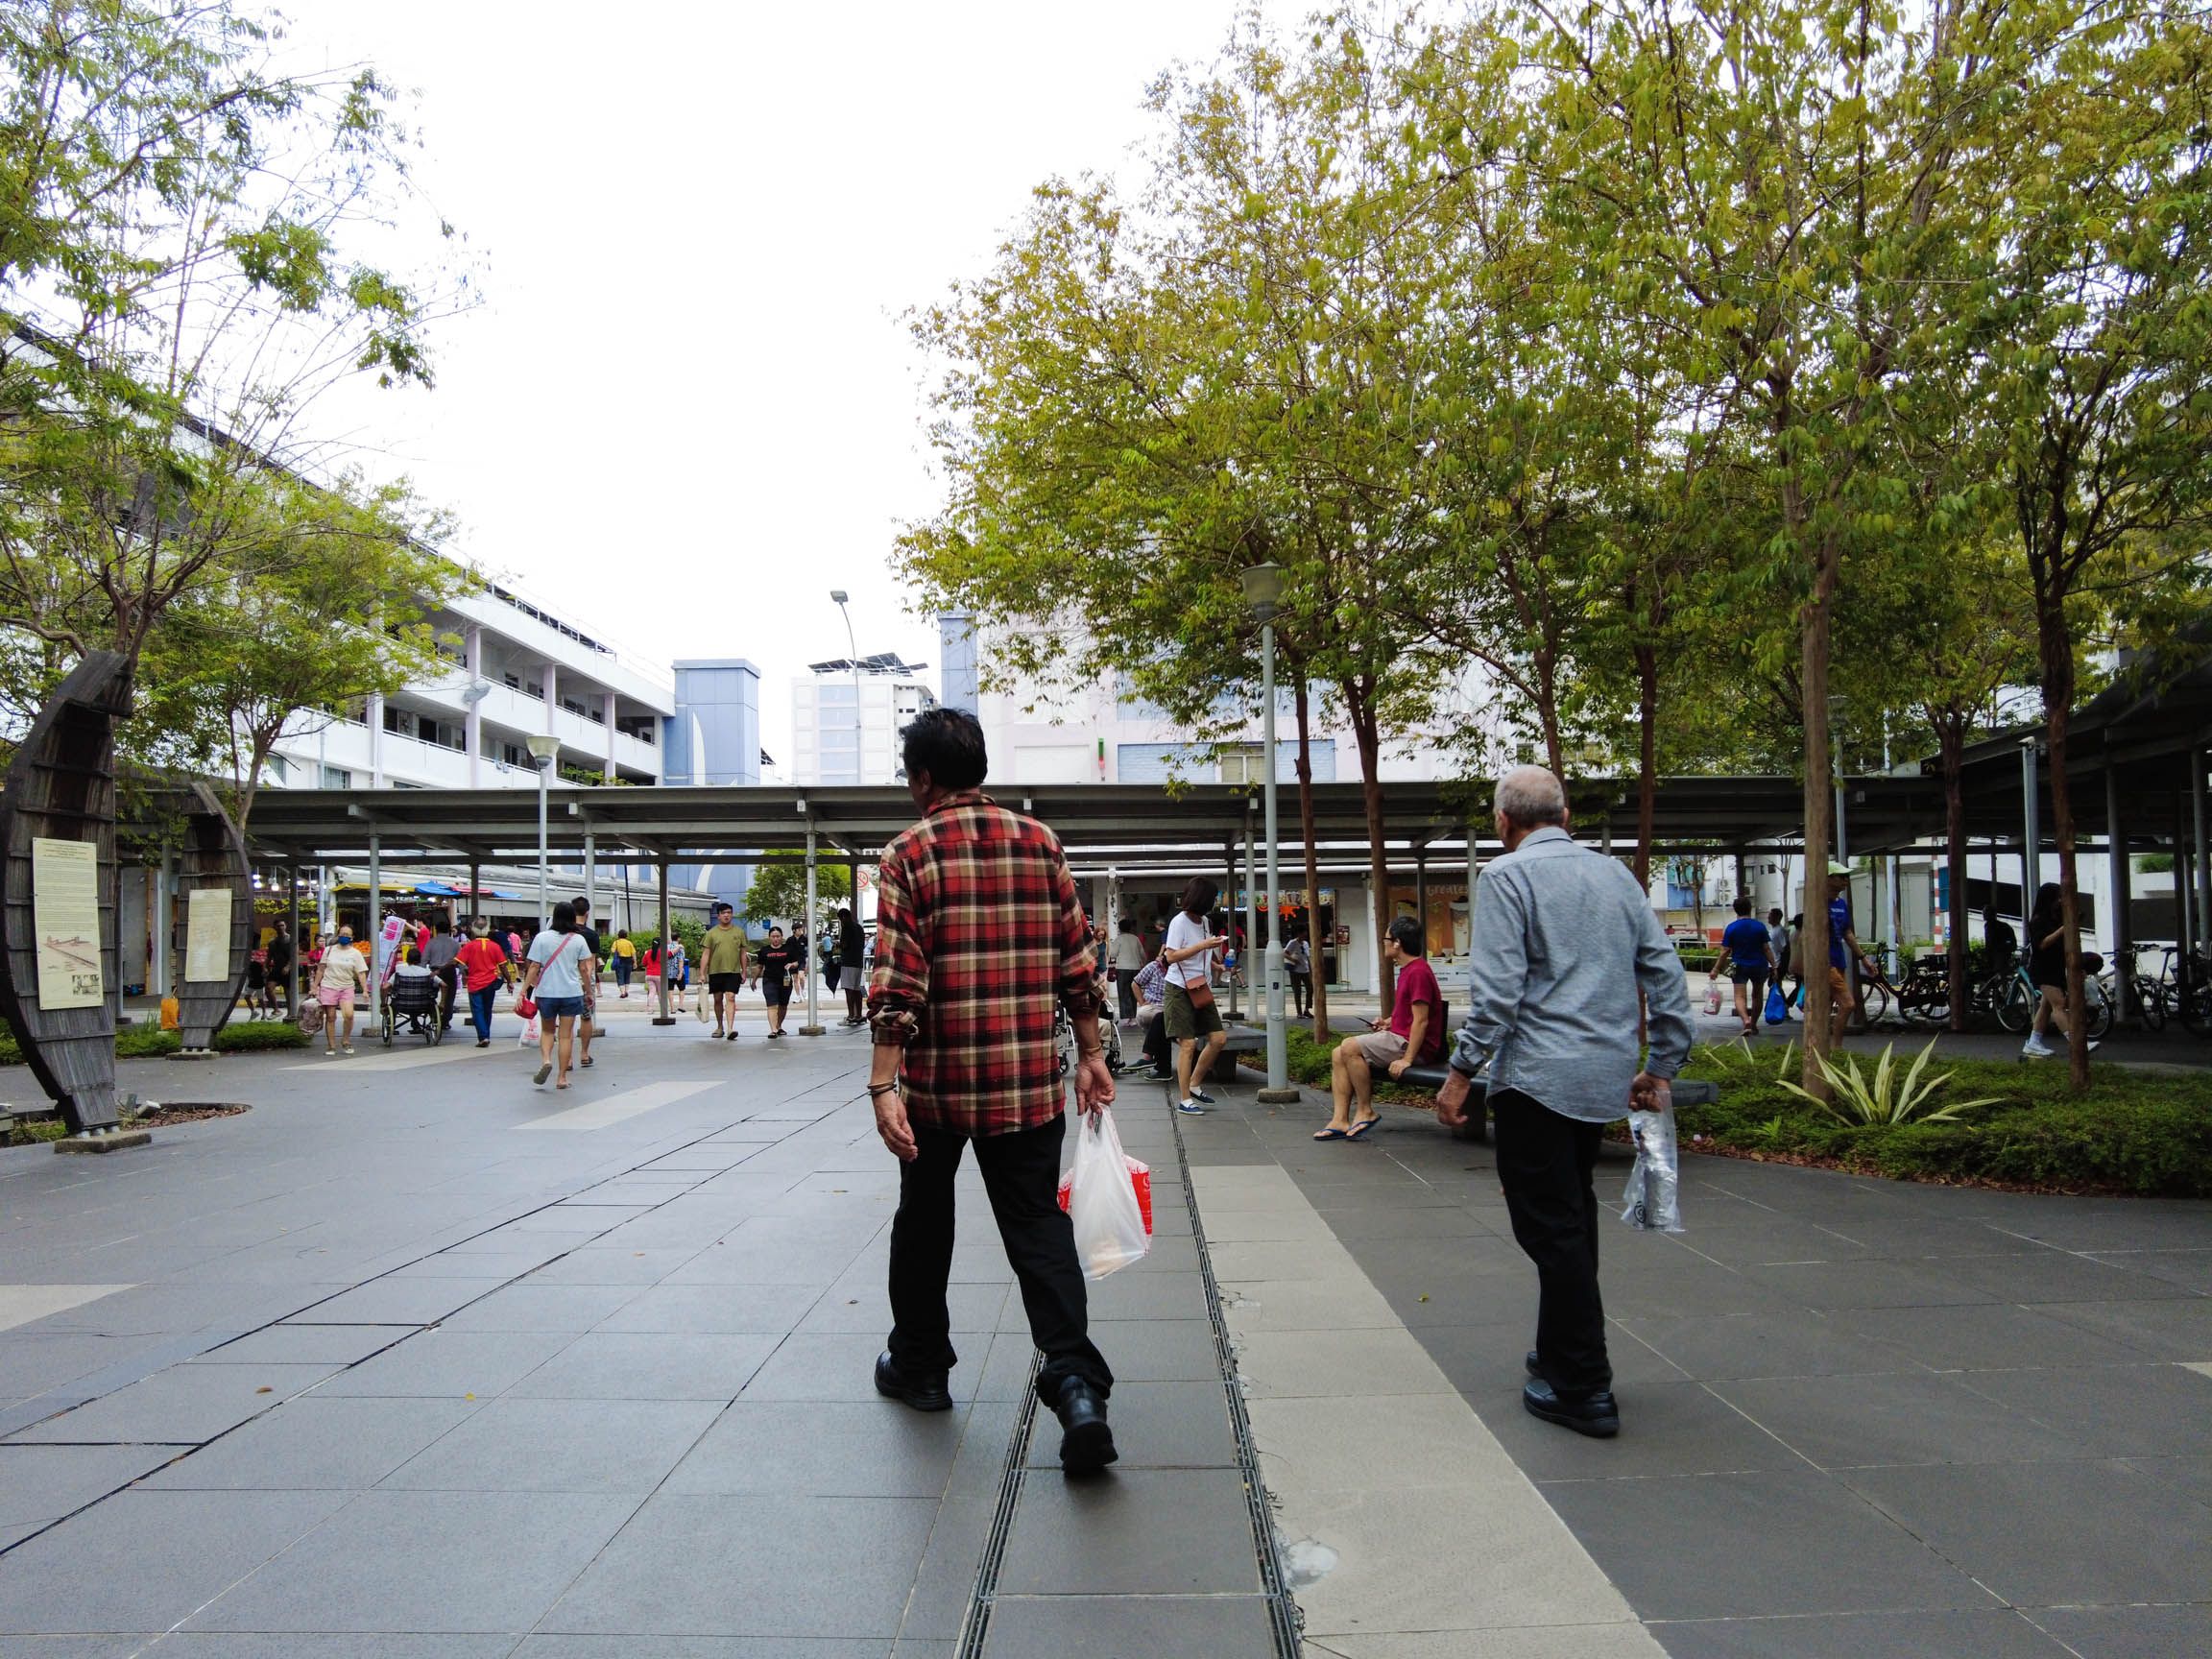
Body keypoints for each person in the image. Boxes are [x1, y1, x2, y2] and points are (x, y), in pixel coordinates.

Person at [864, 707, 1118, 1473]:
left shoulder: (908, 853)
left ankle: (923, 1368)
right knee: (1038, 1231)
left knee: (924, 1220)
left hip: (937, 1088)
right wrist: (1093, 1054)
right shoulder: (1041, 843)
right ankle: (1076, 1386)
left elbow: (898, 981)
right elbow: (1078, 960)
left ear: (923, 778)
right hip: (1024, 1087)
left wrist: (883, 1084)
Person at [1434, 766, 1693, 1440]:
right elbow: (1664, 974)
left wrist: (1462, 1071)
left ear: (1502, 822)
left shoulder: (1505, 877)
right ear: (1567, 814)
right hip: (1602, 1078)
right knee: (1572, 1217)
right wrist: (1660, 1064)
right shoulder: (1615, 877)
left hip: (1537, 1079)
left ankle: (1583, 1385)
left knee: (1552, 1229)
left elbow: (1497, 993)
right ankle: (1560, 1350)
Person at [1318, 915, 1443, 1141]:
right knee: (1338, 1053)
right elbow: (1409, 1015)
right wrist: (1388, 1022)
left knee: (1349, 1046)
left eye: (1386, 938)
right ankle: (1340, 1119)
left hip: (1413, 1047)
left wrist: (1407, 1059)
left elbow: (1422, 1020)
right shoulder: (1409, 970)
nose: (1383, 942)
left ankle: (1366, 1110)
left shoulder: (1418, 972)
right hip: (1400, 1037)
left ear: (1397, 943)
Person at [1161, 878, 1229, 1116]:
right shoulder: (1179, 922)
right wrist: (1203, 945)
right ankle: (1184, 1100)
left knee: (1219, 1038)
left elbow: (1198, 953)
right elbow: (1170, 956)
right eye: (1213, 897)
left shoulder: (1205, 922)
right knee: (1187, 1044)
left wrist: (1215, 965)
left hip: (1201, 987)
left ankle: (1194, 1084)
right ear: (1203, 898)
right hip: (1179, 989)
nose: (1215, 902)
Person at [2023, 882, 2099, 1060]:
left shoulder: (2053, 918)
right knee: (2059, 1005)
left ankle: (2033, 1042)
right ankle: (2078, 1043)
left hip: (2054, 968)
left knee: (2046, 1006)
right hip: (2043, 969)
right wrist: (2063, 929)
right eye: (2057, 897)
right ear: (2048, 899)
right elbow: (2041, 944)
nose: (2060, 900)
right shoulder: (2038, 921)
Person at [522, 902, 593, 1090]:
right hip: (571, 992)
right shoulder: (578, 940)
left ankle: (546, 1060)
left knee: (547, 1031)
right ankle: (562, 1078)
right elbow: (585, 969)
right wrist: (589, 991)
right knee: (565, 1036)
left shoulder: (542, 938)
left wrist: (523, 990)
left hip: (546, 993)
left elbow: (534, 966)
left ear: (554, 917)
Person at [1821, 863, 1876, 1033]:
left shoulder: (1842, 904)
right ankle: (1835, 1047)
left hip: (1839, 960)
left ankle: (1827, 1048)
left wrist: (1863, 958)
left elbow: (1847, 933)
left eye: (1847, 876)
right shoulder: (1818, 903)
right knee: (1848, 1003)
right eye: (1841, 876)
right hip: (1824, 962)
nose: (1846, 880)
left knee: (1827, 1004)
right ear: (1828, 879)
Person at [1719, 897, 1776, 1038]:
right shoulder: (1759, 926)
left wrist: (1716, 968)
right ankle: (1754, 1024)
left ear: (1735, 910)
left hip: (1739, 966)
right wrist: (1774, 965)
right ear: (1750, 908)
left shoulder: (1731, 928)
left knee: (1739, 996)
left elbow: (1725, 950)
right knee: (1757, 996)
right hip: (1759, 965)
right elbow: (1767, 949)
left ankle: (1746, 1021)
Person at [314, 926, 369, 1057]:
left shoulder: (355, 953)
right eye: (342, 934)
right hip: (329, 985)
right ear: (338, 935)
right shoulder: (329, 950)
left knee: (349, 1015)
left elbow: (361, 973)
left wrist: (365, 990)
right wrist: (314, 986)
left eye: (347, 934)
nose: (344, 936)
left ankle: (346, 1040)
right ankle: (331, 1045)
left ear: (352, 937)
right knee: (331, 1017)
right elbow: (321, 969)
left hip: (347, 987)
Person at [456, 918, 507, 1047]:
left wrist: (442, 968)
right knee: (487, 1010)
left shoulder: (469, 946)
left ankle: (483, 1037)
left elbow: (459, 962)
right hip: (490, 982)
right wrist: (510, 981)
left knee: (477, 1010)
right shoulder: (495, 946)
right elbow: (503, 966)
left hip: (474, 983)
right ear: (488, 930)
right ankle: (486, 1035)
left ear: (473, 929)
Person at [702, 902, 748, 1040]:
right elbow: (705, 954)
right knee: (717, 999)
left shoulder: (739, 932)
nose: (726, 915)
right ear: (718, 915)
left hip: (733, 971)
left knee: (731, 997)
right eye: (723, 913)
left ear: (732, 914)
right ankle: (720, 1026)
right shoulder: (711, 933)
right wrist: (702, 973)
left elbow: (743, 953)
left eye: (729, 912)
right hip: (715, 971)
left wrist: (744, 971)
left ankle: (730, 1028)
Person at [571, 896, 604, 1070]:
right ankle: (584, 1054)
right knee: (586, 1017)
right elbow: (590, 962)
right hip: (585, 982)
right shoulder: (591, 935)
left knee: (565, 1020)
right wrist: (587, 985)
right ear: (587, 913)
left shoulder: (563, 933)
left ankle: (566, 1058)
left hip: (566, 981)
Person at [757, 924, 804, 1038]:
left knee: (783, 1005)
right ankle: (773, 1030)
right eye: (773, 936)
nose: (776, 939)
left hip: (785, 981)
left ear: (782, 937)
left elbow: (797, 962)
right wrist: (754, 980)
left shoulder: (788, 949)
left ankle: (778, 1025)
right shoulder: (764, 950)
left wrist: (791, 965)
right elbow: (759, 966)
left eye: (778, 936)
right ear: (769, 937)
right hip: (769, 980)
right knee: (772, 1004)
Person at [1131, 953, 1172, 1079]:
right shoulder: (1154, 966)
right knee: (1151, 1016)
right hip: (1153, 1006)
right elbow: (1135, 983)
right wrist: (1142, 1002)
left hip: (1171, 1008)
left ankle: (1149, 1058)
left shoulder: (1179, 969)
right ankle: (1160, 1067)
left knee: (1160, 1020)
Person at [422, 915, 461, 1031]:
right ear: (449, 931)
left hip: (434, 972)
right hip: (449, 972)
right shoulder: (455, 944)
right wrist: (463, 972)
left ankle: (434, 1015)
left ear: (437, 930)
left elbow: (423, 960)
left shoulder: (431, 943)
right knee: (449, 997)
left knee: (430, 995)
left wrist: (422, 972)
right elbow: (460, 960)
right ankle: (445, 1021)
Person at [1111, 918, 1145, 1024]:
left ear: (1120, 928)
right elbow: (1142, 954)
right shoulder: (1135, 939)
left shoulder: (1119, 939)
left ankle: (1128, 1017)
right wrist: (1143, 963)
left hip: (1122, 969)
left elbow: (1113, 954)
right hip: (1135, 969)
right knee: (1133, 992)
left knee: (1123, 993)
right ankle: (1133, 1017)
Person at [838, 906, 867, 1026]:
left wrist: (839, 945)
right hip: (858, 962)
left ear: (843, 917)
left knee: (848, 989)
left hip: (848, 962)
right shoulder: (859, 928)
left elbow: (844, 945)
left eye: (840, 919)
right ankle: (858, 1015)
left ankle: (850, 1015)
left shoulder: (846, 928)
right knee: (856, 989)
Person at [1767, 909, 1794, 1017]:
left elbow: (1785, 948)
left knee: (1774, 984)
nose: (1768, 917)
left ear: (1777, 917)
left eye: (1770, 915)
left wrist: (1782, 964)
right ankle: (1782, 1006)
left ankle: (1784, 1006)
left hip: (1778, 963)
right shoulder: (1773, 930)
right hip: (1773, 963)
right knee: (1775, 984)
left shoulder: (1780, 931)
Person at [1284, 926, 1312, 1019]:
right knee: (1297, 991)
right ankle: (1299, 1013)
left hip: (1305, 970)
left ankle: (1307, 1010)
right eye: (1304, 933)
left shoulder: (1306, 944)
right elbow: (1284, 953)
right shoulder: (1292, 943)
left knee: (1310, 989)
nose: (1305, 935)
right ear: (1299, 934)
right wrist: (1293, 960)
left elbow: (1307, 957)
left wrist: (1310, 969)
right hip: (1295, 971)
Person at [266, 921, 296, 1010]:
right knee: (268, 988)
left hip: (288, 969)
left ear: (286, 926)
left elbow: (294, 955)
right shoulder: (272, 942)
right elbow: (269, 957)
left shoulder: (292, 940)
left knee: (288, 993)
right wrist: (265, 967)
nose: (281, 927)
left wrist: (288, 967)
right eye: (278, 926)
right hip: (276, 969)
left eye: (282, 925)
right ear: (274, 927)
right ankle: (276, 1010)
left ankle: (290, 1013)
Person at [665, 929, 689, 1013]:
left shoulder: (667, 947)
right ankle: (681, 1006)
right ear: (678, 938)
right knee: (681, 989)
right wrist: (680, 972)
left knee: (670, 990)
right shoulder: (680, 947)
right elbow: (681, 960)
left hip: (668, 972)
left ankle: (672, 1008)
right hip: (678, 971)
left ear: (671, 938)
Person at [612, 929, 637, 998]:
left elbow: (613, 951)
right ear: (626, 936)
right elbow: (633, 953)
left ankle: (622, 993)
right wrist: (635, 962)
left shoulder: (616, 942)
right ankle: (626, 991)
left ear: (618, 935)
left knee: (620, 976)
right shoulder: (629, 943)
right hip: (629, 960)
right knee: (627, 976)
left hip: (620, 960)